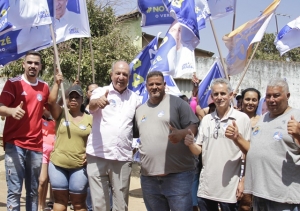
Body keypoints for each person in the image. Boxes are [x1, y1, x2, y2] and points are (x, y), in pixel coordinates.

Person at [225, 78, 300, 211]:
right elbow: (253, 150)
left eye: (276, 95)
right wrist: (237, 137)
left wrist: (299, 134)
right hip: (260, 194)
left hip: (283, 198)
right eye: (268, 96)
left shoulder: (297, 117)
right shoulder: (263, 118)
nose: (271, 99)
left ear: (287, 96)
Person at [134, 71, 199, 211]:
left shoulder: (178, 103)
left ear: (164, 85)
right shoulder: (140, 110)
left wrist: (181, 134)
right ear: (146, 86)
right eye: (151, 84)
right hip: (149, 178)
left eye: (158, 84)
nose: (154, 87)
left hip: (178, 176)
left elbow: (194, 126)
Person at [184, 78, 251, 211]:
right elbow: (198, 150)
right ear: (212, 97)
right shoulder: (207, 120)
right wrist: (190, 144)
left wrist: (243, 181)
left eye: (223, 93)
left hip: (230, 189)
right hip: (207, 188)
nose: (219, 97)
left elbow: (248, 153)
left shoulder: (242, 119)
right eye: (216, 94)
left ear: (230, 95)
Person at [86, 61, 140, 211]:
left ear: (129, 77)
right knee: (99, 205)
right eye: (118, 73)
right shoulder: (101, 92)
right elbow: (91, 106)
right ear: (111, 75)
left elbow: (141, 122)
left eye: (125, 74)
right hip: (97, 156)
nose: (121, 77)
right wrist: (97, 102)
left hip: (121, 159)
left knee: (121, 206)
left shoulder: (135, 98)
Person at [0, 51, 49, 211]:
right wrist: (11, 111)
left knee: (33, 192)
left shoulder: (44, 87)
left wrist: (58, 84)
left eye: (36, 63)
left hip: (36, 147)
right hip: (15, 145)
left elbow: (51, 110)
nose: (32, 66)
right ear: (23, 64)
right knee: (14, 191)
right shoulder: (13, 84)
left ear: (40, 66)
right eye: (29, 62)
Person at [48, 74, 92, 211]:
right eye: (70, 97)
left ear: (82, 99)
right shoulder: (61, 113)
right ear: (66, 99)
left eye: (76, 97)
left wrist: (90, 153)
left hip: (79, 166)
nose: (73, 99)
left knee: (78, 203)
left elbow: (96, 140)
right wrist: (56, 83)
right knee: (60, 201)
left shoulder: (90, 119)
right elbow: (50, 102)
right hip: (57, 165)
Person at [238, 88, 261, 211]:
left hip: (252, 167)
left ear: (258, 102)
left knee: (246, 204)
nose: (250, 103)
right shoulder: (234, 118)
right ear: (242, 100)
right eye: (247, 99)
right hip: (234, 166)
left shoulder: (262, 121)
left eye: (254, 100)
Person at [38, 107, 55, 211]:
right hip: (43, 151)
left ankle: (47, 203)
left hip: (54, 152)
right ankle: (40, 205)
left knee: (51, 180)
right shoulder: (39, 120)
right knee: (42, 180)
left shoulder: (54, 120)